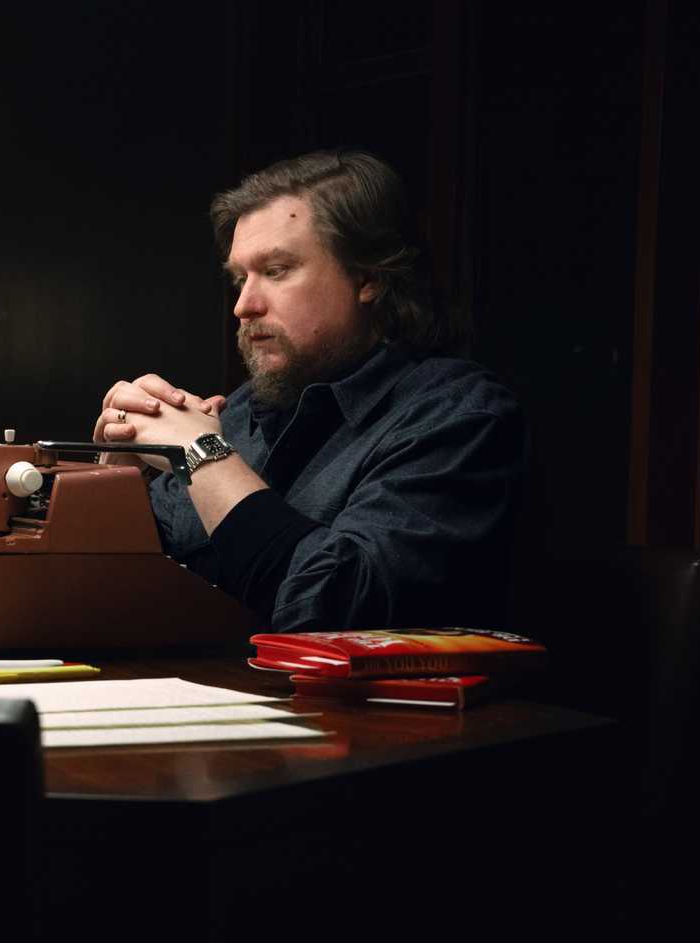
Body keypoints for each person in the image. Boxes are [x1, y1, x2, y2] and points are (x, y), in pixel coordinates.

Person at [94, 149, 524, 631]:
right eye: (240, 278)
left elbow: (335, 610)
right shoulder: (236, 415)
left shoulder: (458, 417)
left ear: (367, 277)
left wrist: (202, 455)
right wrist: (114, 483)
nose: (243, 305)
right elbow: (119, 599)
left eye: (276, 271)